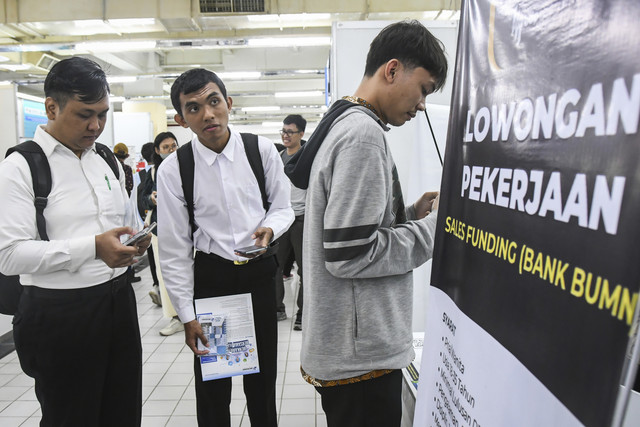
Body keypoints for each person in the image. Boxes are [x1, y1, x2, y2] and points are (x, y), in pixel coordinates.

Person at [284, 20, 447, 427]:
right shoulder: (363, 135)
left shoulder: (342, 120)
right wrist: (435, 229)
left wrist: (410, 214)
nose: (422, 104)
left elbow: (346, 231)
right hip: (360, 359)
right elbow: (349, 256)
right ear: (392, 70)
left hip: (347, 349)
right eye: (424, 88)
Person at [0, 56, 150, 426]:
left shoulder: (105, 160)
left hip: (118, 303)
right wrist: (93, 248)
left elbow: (124, 222)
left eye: (102, 114)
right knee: (71, 415)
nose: (96, 125)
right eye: (84, 114)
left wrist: (135, 240)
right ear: (51, 107)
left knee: (123, 410)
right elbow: (9, 255)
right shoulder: (22, 168)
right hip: (59, 314)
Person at [157, 68, 293, 427]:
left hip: (259, 275)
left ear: (229, 104)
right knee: (214, 383)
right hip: (212, 280)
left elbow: (283, 207)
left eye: (214, 101)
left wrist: (270, 229)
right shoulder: (175, 169)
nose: (208, 114)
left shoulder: (260, 150)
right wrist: (187, 315)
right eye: (194, 108)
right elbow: (173, 250)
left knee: (261, 382)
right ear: (181, 120)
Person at [140, 131, 184, 335]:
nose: (171, 150)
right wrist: (151, 198)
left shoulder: (187, 167)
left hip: (186, 229)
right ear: (157, 151)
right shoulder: (151, 173)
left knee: (190, 273)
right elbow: (142, 199)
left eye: (173, 146)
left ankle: (193, 314)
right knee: (165, 274)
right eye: (165, 147)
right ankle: (176, 316)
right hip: (161, 229)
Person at [275, 114, 307, 330]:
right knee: (275, 267)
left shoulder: (308, 157)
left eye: (290, 132)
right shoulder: (278, 157)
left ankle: (302, 313)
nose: (285, 135)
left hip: (303, 218)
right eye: (283, 131)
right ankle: (277, 309)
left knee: (305, 269)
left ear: (301, 134)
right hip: (282, 219)